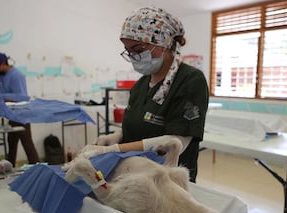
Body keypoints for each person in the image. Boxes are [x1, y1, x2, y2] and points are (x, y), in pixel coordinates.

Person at [81, 6, 209, 182]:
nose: (133, 56)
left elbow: (176, 142)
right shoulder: (141, 85)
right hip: (133, 177)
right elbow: (136, 128)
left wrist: (113, 150)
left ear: (163, 43)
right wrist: (113, 138)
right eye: (128, 51)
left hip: (168, 182)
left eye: (139, 49)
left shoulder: (190, 80)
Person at [0, 51, 40, 166]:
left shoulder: (16, 76)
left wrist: (0, 98)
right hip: (11, 113)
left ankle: (38, 169)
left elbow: (21, 98)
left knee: (27, 144)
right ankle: (8, 168)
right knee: (11, 142)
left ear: (3, 64)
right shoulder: (0, 74)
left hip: (22, 113)